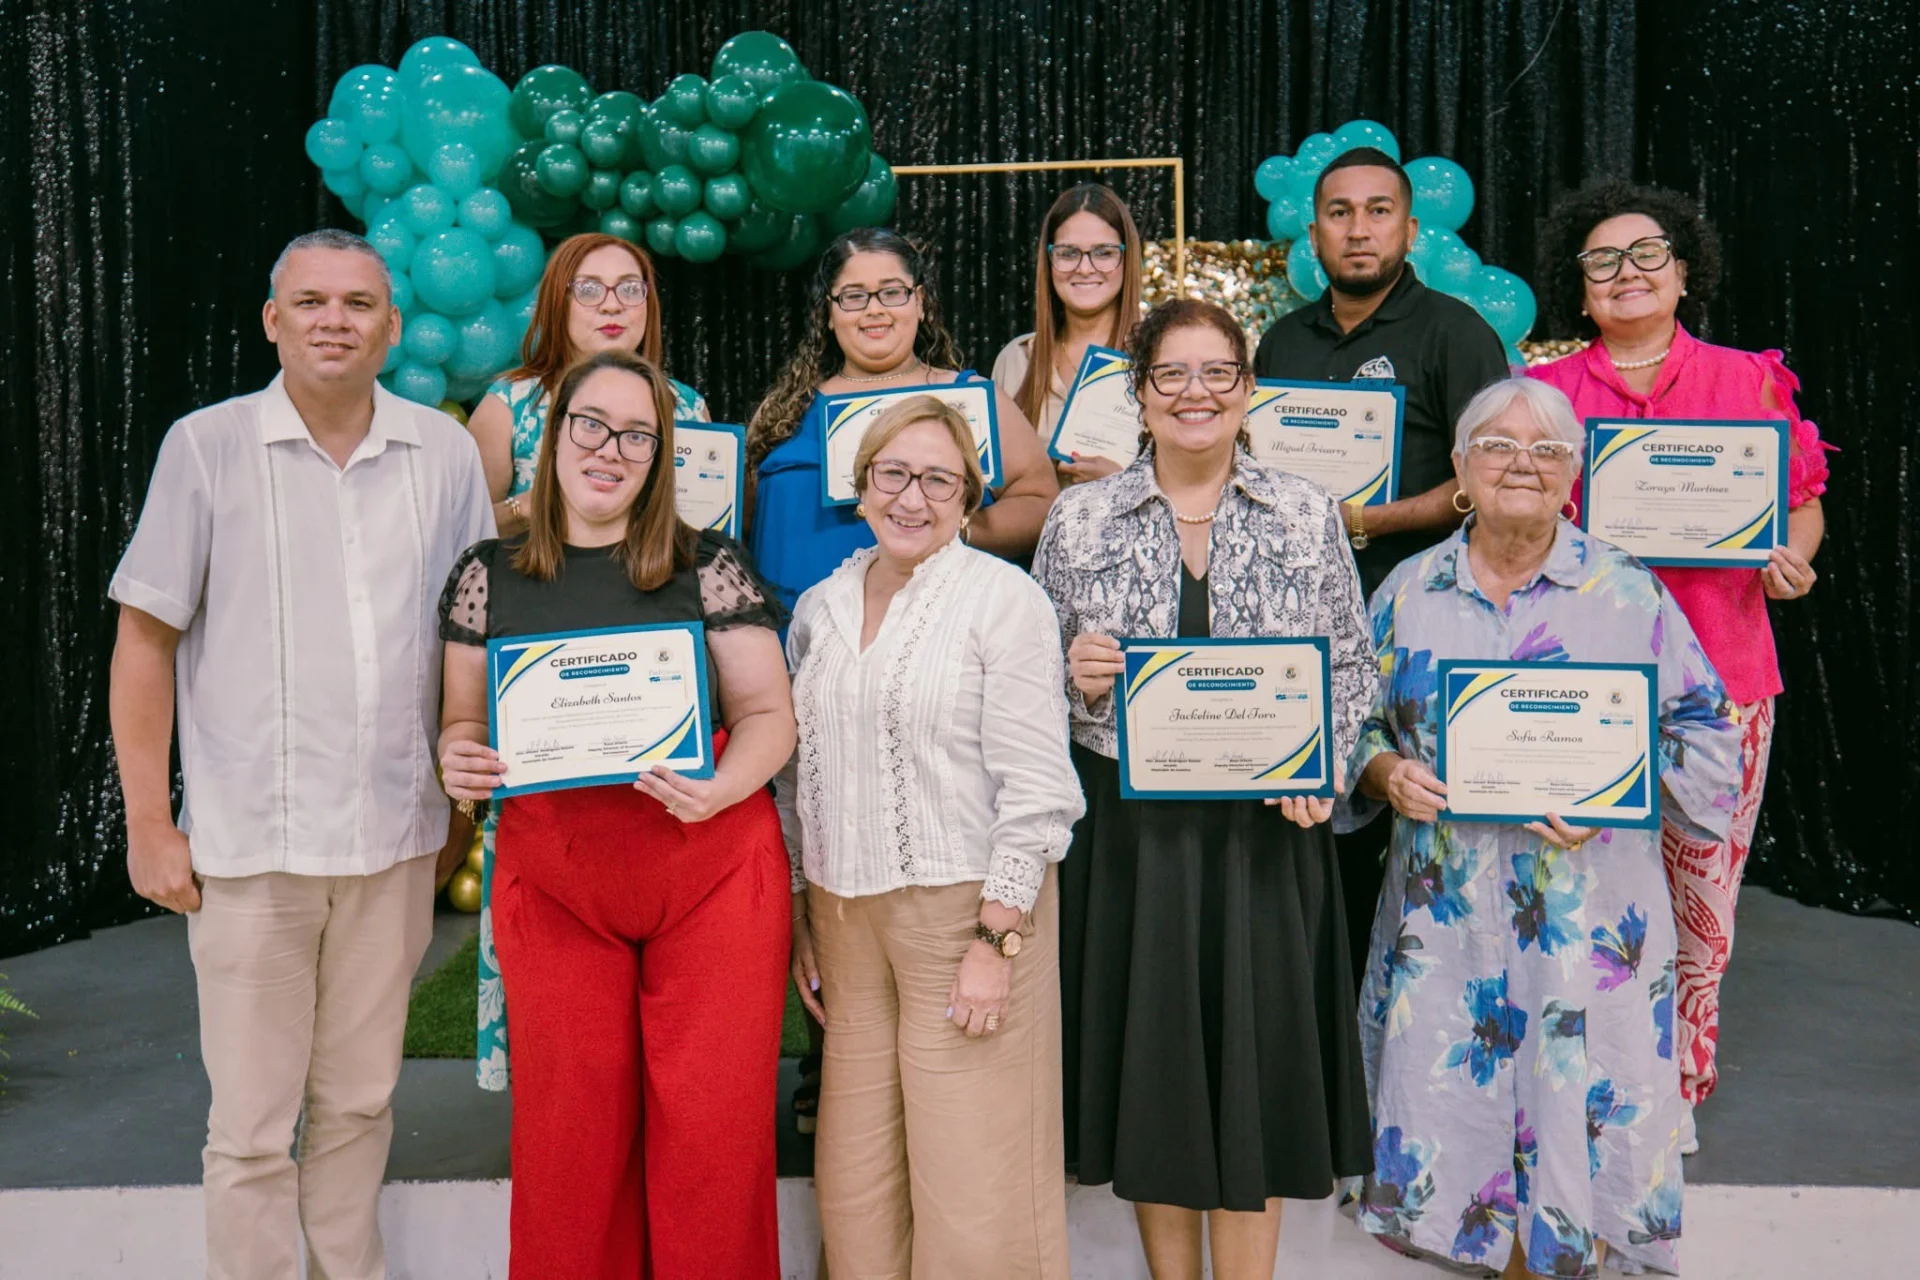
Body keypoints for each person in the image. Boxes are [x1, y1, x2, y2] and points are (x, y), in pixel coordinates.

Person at [106, 229, 492, 1280]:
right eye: (311, 302)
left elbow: (470, 632)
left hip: (396, 839)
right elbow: (145, 640)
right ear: (273, 320)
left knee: (363, 1101)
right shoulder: (207, 446)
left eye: (358, 304)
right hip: (250, 849)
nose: (335, 320)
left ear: (392, 327)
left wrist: (456, 785)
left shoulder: (444, 452)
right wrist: (150, 820)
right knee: (249, 1126)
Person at [1350, 377, 1742, 1278]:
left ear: (1573, 474)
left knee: (1580, 1144)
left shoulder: (1630, 595)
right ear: (1459, 466)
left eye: (1545, 450)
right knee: (1460, 1153)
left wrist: (1615, 785)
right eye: (1495, 444)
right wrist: (1386, 771)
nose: (1519, 464)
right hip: (1446, 933)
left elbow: (1711, 743)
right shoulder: (1410, 591)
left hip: (1590, 929)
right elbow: (1352, 728)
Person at [1032, 299, 1375, 1280]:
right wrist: (1072, 669)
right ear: (1138, 394)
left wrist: (1328, 774)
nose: (1195, 392)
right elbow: (1030, 685)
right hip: (1134, 839)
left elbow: (1350, 670)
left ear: (1247, 387)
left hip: (1267, 834)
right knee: (1163, 1080)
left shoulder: (1306, 511)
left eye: (1217, 372)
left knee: (1254, 1072)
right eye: (1171, 374)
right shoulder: (1079, 516)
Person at [437, 349, 795, 1278]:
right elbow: (463, 724)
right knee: (568, 1140)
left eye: (638, 435)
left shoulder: (706, 564)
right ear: (555, 435)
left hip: (710, 868)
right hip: (555, 884)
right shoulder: (488, 574)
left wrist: (721, 789)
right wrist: (456, 759)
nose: (611, 449)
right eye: (591, 424)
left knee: (713, 1137)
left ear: (661, 453)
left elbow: (767, 716)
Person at [1528, 180, 1831, 1142]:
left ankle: (1674, 1090)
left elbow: (1804, 498)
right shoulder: (1548, 396)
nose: (1626, 274)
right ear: (1580, 292)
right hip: (1583, 688)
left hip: (1726, 685)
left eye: (1646, 254)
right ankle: (1587, 1079)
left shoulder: (1749, 380)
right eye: (1602, 262)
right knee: (1585, 892)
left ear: (1683, 269)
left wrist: (1797, 556)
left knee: (1702, 898)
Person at [781, 395, 1083, 1277]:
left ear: (967, 497)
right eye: (894, 475)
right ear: (862, 484)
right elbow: (803, 776)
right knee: (855, 1174)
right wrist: (804, 904)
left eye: (938, 481)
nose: (912, 498)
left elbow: (1036, 786)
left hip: (967, 914)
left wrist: (996, 938)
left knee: (975, 1180)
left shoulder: (1004, 600)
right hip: (845, 919)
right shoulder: (821, 608)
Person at [1253, 145, 1511, 988]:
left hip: (1418, 623)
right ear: (1314, 230)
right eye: (1338, 213)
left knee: (1405, 830)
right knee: (1299, 823)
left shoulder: (1455, 333)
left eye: (1376, 211)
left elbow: (1486, 477)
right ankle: (1312, 1035)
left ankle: (1398, 1044)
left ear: (1407, 226)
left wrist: (1359, 521)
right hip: (1294, 623)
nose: (1357, 230)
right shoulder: (1281, 341)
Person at [462, 231, 711, 1089]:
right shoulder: (507, 404)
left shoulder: (686, 402)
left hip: (650, 700)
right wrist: (541, 504)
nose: (612, 305)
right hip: (545, 703)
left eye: (630, 288)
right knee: (563, 1009)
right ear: (557, 305)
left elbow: (706, 550)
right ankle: (559, 1092)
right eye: (591, 289)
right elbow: (464, 544)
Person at [746, 226, 1059, 611]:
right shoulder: (784, 411)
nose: (874, 309)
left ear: (920, 302)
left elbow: (1042, 502)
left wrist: (950, 530)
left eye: (892, 292)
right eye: (854, 296)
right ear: (829, 313)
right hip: (792, 640)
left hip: (931, 637)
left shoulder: (971, 398)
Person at [991, 182, 1144, 481]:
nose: (1085, 268)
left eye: (1104, 252)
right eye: (1068, 253)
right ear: (1049, 260)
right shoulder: (1016, 360)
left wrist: (1123, 482)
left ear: (1127, 260)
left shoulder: (1159, 362)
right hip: (1034, 529)